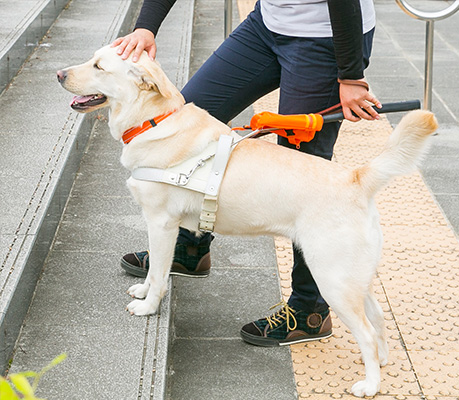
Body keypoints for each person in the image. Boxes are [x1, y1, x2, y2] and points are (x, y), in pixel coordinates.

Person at [112, 0, 380, 346]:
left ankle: (308, 311)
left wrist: (350, 74)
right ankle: (190, 244)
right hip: (268, 24)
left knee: (300, 169)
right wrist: (146, 26)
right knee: (191, 112)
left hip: (326, 36)